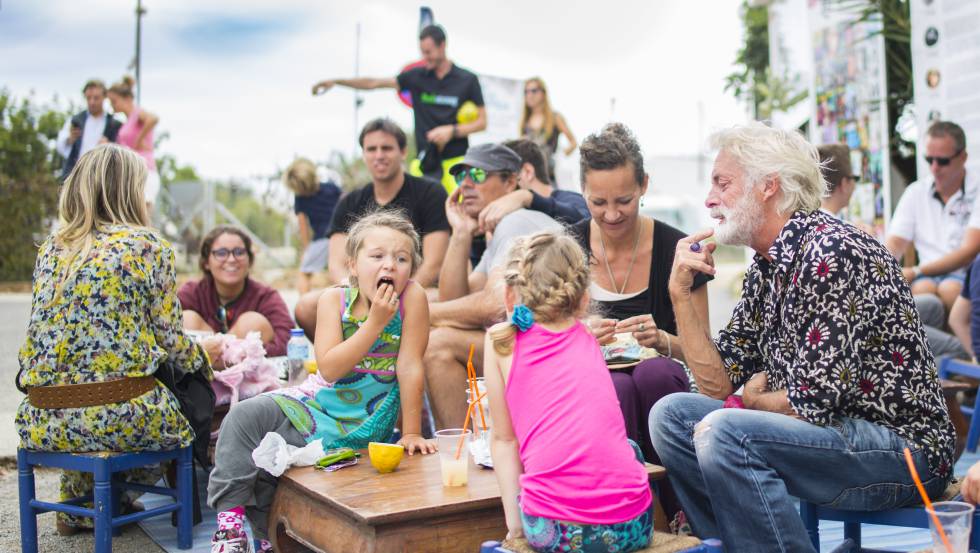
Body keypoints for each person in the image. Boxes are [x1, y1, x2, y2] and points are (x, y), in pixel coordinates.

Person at [650, 122, 955, 551]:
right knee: (672, 416)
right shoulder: (766, 263)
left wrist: (752, 403)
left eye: (722, 182)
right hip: (838, 440)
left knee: (724, 431)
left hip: (904, 452)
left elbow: (810, 405)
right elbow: (719, 384)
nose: (709, 198)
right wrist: (680, 294)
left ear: (768, 186)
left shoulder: (830, 252)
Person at [207, 210, 435, 553]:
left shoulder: (412, 298)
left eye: (401, 259)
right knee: (242, 420)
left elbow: (411, 367)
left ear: (412, 269)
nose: (389, 265)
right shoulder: (334, 300)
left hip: (364, 420)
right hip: (317, 402)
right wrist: (373, 323)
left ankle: (268, 536)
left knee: (273, 456)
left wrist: (413, 432)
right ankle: (231, 526)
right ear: (353, 266)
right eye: (377, 256)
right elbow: (329, 370)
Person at [15, 144, 211, 534]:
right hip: (119, 415)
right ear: (127, 191)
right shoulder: (147, 245)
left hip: (41, 417)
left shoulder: (52, 248)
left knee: (107, 392)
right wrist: (205, 363)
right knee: (183, 403)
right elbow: (170, 340)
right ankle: (121, 500)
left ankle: (78, 507)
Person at [486, 231, 653, 553]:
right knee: (630, 447)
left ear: (510, 295)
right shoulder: (587, 338)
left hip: (556, 532)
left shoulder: (500, 341)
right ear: (584, 300)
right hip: (633, 524)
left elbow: (505, 441)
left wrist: (515, 528)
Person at [571, 123, 711, 465]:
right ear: (582, 191)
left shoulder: (677, 249)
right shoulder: (567, 250)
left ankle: (677, 503)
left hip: (665, 380)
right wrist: (580, 336)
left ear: (644, 184)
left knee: (655, 374)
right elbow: (539, 338)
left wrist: (662, 339)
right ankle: (627, 502)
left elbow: (705, 355)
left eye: (624, 200)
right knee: (614, 386)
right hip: (592, 382)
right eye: (598, 202)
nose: (612, 214)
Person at [425, 143, 562, 429]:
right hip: (536, 341)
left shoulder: (517, 221)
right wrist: (460, 232)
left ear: (511, 182)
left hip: (556, 347)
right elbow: (457, 297)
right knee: (432, 314)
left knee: (437, 342)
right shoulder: (501, 230)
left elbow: (495, 305)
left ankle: (461, 454)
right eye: (460, 177)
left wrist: (417, 314)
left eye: (477, 174)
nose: (465, 185)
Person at [293, 119, 450, 338]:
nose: (379, 155)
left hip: (415, 288)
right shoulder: (349, 202)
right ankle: (347, 363)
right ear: (364, 154)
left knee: (430, 301)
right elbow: (337, 263)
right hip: (362, 290)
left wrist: (398, 295)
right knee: (306, 306)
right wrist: (360, 295)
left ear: (403, 152)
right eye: (371, 149)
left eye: (386, 148)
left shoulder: (431, 193)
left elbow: (434, 263)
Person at [312, 25, 486, 191]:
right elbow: (374, 83)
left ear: (443, 46)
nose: (425, 57)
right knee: (426, 218)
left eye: (428, 52)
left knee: (462, 214)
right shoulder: (417, 76)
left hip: (456, 161)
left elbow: (482, 122)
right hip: (425, 162)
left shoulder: (467, 79)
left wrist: (452, 131)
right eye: (422, 52)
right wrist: (336, 82)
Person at [886, 120, 979, 311]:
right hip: (925, 278)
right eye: (929, 160)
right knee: (922, 293)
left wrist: (915, 270)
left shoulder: (977, 189)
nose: (934, 167)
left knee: (950, 290)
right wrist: (883, 271)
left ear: (963, 157)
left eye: (942, 161)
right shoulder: (915, 192)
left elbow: (969, 252)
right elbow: (894, 244)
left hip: (965, 274)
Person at [179, 226, 294, 358]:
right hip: (200, 369)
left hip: (248, 371)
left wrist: (242, 352)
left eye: (239, 252)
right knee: (187, 319)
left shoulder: (265, 296)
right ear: (206, 262)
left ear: (250, 260)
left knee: (252, 322)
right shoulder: (192, 293)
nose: (232, 259)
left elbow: (289, 342)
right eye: (221, 253)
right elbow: (163, 335)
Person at [476, 138, 589, 234]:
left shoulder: (570, 199)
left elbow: (586, 222)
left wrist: (527, 197)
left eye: (505, 176)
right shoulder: (520, 215)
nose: (504, 185)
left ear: (527, 172)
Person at [283, 158, 342, 293]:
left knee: (304, 272)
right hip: (342, 233)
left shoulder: (300, 199)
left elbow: (303, 226)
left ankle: (302, 305)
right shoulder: (331, 188)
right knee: (341, 270)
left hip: (322, 238)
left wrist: (306, 249)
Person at [107, 75, 161, 213]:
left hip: (145, 169)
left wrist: (139, 139)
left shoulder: (137, 113)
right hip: (132, 173)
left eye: (114, 101)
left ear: (126, 99)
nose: (112, 105)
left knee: (143, 216)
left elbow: (153, 119)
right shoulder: (127, 121)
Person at [55, 79, 122, 179]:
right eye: (88, 98)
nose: (92, 102)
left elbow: (122, 149)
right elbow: (60, 146)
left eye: (96, 98)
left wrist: (109, 146)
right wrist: (70, 139)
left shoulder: (114, 123)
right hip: (77, 174)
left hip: (103, 176)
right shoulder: (76, 120)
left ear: (104, 97)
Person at [519, 77, 577, 181]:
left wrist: (560, 157)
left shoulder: (555, 118)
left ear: (543, 93)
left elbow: (573, 143)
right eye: (526, 92)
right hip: (530, 177)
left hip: (550, 177)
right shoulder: (525, 121)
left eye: (533, 91)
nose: (529, 95)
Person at [817, 143, 858, 217]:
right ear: (844, 183)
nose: (855, 187)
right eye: (855, 178)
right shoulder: (841, 227)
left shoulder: (806, 222)